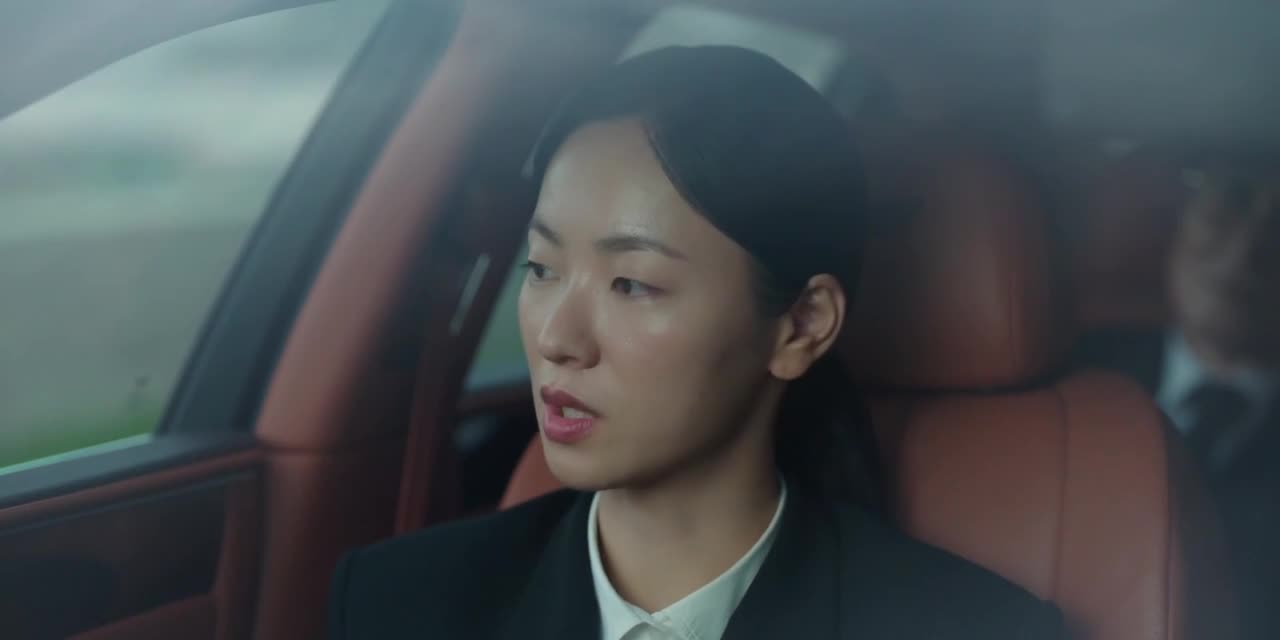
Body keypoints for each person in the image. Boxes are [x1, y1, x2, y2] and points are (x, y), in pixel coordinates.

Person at [328, 46, 1063, 639]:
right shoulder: (398, 604)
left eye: (632, 283)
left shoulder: (979, 630)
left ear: (803, 324)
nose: (557, 339)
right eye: (543, 268)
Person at [1075, 160, 1280, 639]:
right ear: (1179, 224)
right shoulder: (1067, 377)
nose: (1244, 252)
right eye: (1228, 207)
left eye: (1278, 230)